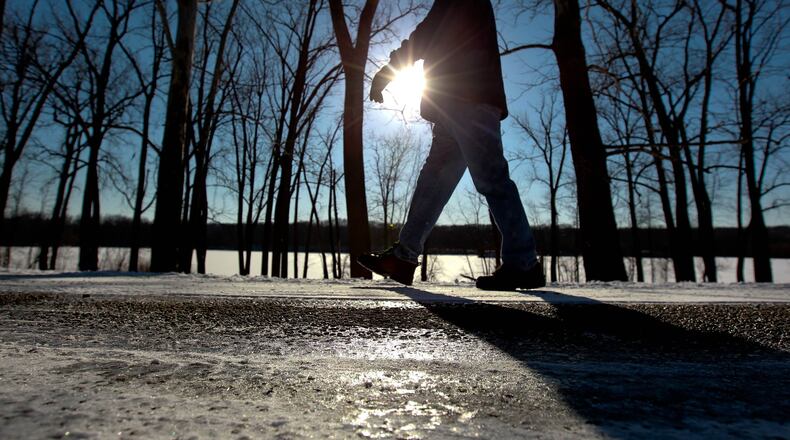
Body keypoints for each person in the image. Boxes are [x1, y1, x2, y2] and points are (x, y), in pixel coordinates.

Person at [358, 0, 544, 290]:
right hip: (453, 99)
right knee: (434, 181)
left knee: (492, 178)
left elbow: (428, 32)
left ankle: (523, 263)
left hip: (470, 95)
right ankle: (404, 256)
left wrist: (390, 69)